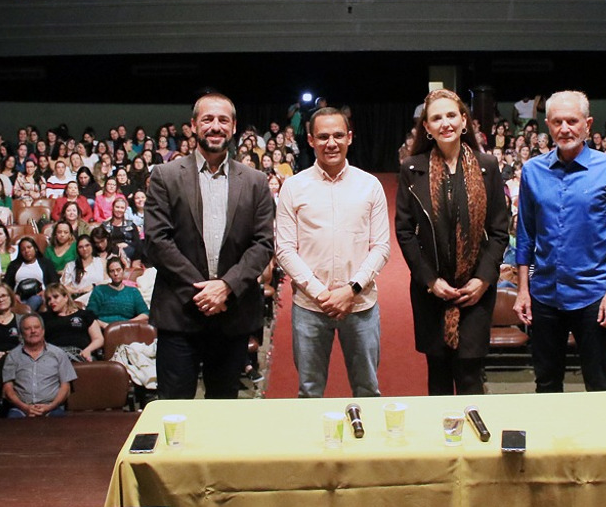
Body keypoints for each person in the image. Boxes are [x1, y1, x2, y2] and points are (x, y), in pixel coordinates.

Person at [144, 90, 275, 400]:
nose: (215, 126)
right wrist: (204, 290)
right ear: (193, 125)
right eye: (207, 119)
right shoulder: (165, 176)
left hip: (233, 314)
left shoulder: (255, 181)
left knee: (223, 413)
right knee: (174, 411)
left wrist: (226, 287)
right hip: (180, 312)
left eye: (223, 120)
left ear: (233, 127)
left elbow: (263, 244)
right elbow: (157, 241)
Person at [514, 91, 606, 392]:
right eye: (557, 122)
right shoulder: (532, 171)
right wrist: (522, 291)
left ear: (587, 124)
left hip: (594, 294)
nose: (565, 128)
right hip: (544, 294)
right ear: (548, 125)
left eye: (572, 121)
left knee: (599, 384)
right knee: (546, 384)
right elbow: (526, 235)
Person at [395, 90, 508, 396]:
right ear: (427, 128)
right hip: (431, 291)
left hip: (475, 292)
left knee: (471, 376)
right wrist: (430, 280)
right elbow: (404, 231)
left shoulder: (488, 166)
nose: (444, 123)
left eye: (450, 115)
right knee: (439, 377)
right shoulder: (412, 168)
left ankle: (474, 442)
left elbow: (499, 231)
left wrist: (483, 280)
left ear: (463, 121)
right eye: (436, 118)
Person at [276, 107, 390, 398]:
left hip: (360, 304)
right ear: (311, 140)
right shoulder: (294, 186)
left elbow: (381, 247)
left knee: (368, 390)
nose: (331, 143)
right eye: (323, 136)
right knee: (309, 392)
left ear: (349, 138)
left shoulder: (370, 185)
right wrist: (321, 293)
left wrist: (349, 290)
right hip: (311, 307)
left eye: (338, 135)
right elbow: (285, 250)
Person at [1, 313, 77, 417]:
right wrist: (25, 407)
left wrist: (50, 407)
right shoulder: (13, 356)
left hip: (53, 408)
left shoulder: (58, 354)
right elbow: (7, 389)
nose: (33, 331)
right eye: (27, 328)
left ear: (43, 330)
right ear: (21, 333)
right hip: (21, 409)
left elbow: (65, 387)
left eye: (36, 327)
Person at [43, 282, 104, 361]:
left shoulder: (84, 315)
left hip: (80, 353)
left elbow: (98, 339)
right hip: (55, 355)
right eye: (49, 299)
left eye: (55, 297)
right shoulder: (44, 318)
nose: (51, 301)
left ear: (65, 297)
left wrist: (88, 350)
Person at [86, 257, 149, 324]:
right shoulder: (99, 290)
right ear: (108, 273)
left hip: (127, 328)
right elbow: (90, 315)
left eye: (118, 270)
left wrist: (128, 323)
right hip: (103, 328)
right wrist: (105, 326)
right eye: (112, 271)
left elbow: (145, 313)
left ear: (124, 270)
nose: (116, 273)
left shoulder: (133, 292)